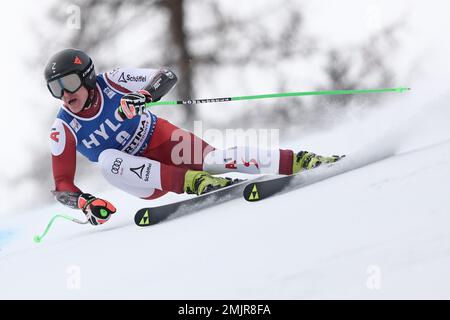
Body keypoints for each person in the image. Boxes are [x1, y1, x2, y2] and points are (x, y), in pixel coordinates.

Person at [45, 48, 341, 226]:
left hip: (161, 140)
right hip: (142, 178)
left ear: (87, 76)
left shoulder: (112, 81)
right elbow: (62, 186)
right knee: (108, 160)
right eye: (56, 88)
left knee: (215, 160)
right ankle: (192, 183)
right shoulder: (63, 128)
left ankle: (300, 160)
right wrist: (84, 203)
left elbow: (166, 76)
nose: (65, 94)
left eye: (69, 83)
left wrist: (142, 95)